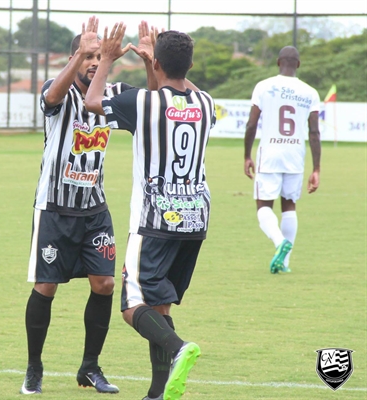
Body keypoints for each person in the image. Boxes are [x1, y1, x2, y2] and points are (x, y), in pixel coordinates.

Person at [20, 16, 156, 395]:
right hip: (54, 209)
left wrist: (148, 61)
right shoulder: (58, 88)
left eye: (100, 55)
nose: (95, 61)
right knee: (46, 287)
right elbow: (50, 99)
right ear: (74, 58)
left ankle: (89, 368)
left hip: (94, 208)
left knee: (106, 283)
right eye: (88, 55)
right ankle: (34, 368)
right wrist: (80, 54)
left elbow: (154, 101)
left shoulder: (112, 92)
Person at [85, 24, 216, 400]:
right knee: (159, 305)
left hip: (155, 220)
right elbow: (173, 99)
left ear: (157, 62)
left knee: (132, 306)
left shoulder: (142, 103)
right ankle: (158, 394)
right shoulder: (205, 102)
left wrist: (108, 58)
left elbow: (93, 102)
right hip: (195, 219)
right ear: (189, 65)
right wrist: (154, 65)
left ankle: (178, 349)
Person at [244, 45, 321, 274]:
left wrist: (247, 155)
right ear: (298, 64)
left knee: (263, 207)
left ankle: (280, 243)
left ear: (278, 62)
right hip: (295, 156)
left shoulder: (264, 87)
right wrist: (316, 168)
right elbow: (314, 132)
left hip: (270, 154)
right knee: (289, 206)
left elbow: (251, 123)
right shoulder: (310, 92)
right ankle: (285, 264)